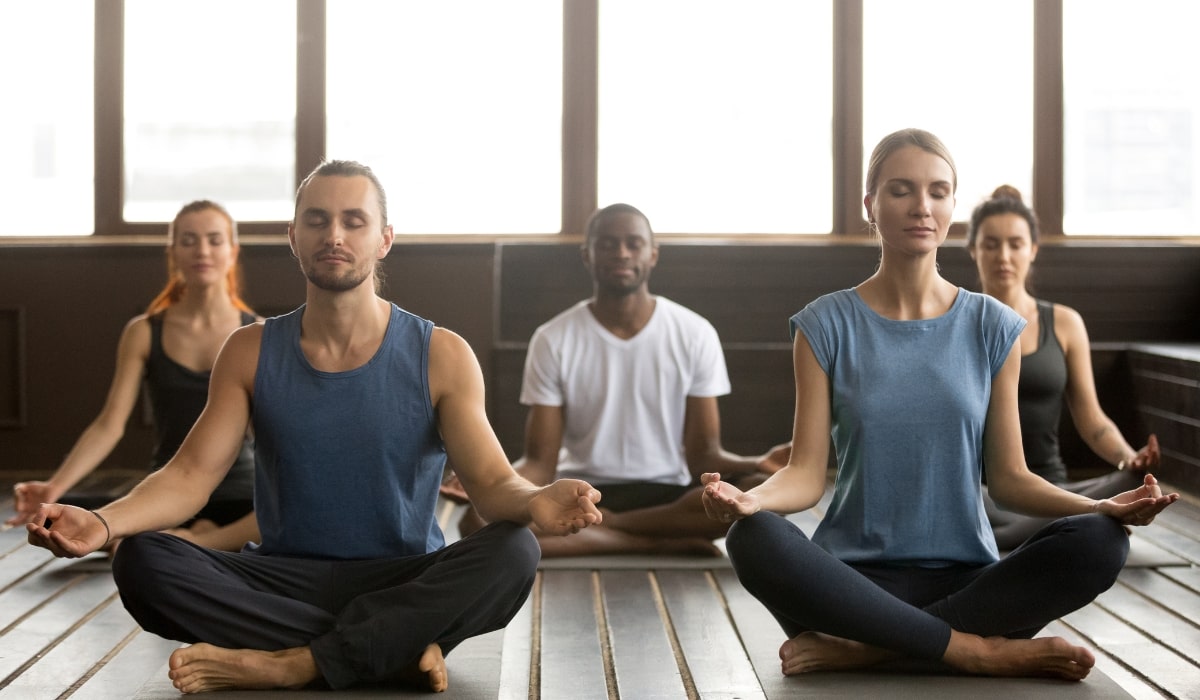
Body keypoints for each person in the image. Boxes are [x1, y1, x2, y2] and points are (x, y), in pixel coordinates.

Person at [26, 159, 602, 694]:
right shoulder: (249, 351)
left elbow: (493, 485)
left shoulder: (442, 354)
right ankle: (389, 646)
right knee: (143, 560)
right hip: (280, 576)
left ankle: (293, 662)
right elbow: (189, 476)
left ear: (384, 240)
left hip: (403, 576)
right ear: (293, 237)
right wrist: (102, 524)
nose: (335, 236)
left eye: (355, 222)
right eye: (317, 220)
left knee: (513, 551)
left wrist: (535, 502)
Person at [701, 128, 1177, 681]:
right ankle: (974, 651)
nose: (921, 206)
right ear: (870, 205)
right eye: (900, 190)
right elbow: (805, 474)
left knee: (1100, 542)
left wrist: (1100, 509)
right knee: (752, 538)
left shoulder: (992, 326)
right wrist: (750, 500)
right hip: (850, 585)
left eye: (938, 191)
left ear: (952, 204)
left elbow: (1010, 480)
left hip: (967, 582)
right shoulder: (824, 325)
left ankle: (873, 647)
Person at [444, 203, 787, 557]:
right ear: (587, 256)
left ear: (652, 255)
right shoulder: (554, 337)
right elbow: (540, 463)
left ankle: (611, 531)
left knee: (760, 491)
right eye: (607, 244)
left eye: (633, 243)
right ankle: (653, 544)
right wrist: (485, 481)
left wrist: (759, 464)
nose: (621, 253)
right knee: (476, 523)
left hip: (667, 496)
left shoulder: (694, 333)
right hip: (581, 492)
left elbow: (704, 457)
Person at [8, 200, 259, 552]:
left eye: (215, 240)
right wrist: (55, 486)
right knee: (69, 519)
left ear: (232, 252)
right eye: (189, 240)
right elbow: (109, 424)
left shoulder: (257, 334)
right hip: (169, 493)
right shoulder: (143, 332)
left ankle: (199, 541)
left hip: (242, 495)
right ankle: (193, 537)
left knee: (284, 512)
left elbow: (268, 432)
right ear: (173, 253)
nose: (202, 250)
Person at [967, 185, 1161, 549]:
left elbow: (1092, 419)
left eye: (1015, 243)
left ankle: (1071, 517)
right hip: (979, 491)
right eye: (990, 244)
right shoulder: (955, 321)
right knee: (965, 500)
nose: (1003, 256)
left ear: (1033, 250)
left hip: (1051, 489)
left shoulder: (1065, 323)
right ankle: (1081, 519)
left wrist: (1129, 459)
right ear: (973, 249)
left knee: (1127, 483)